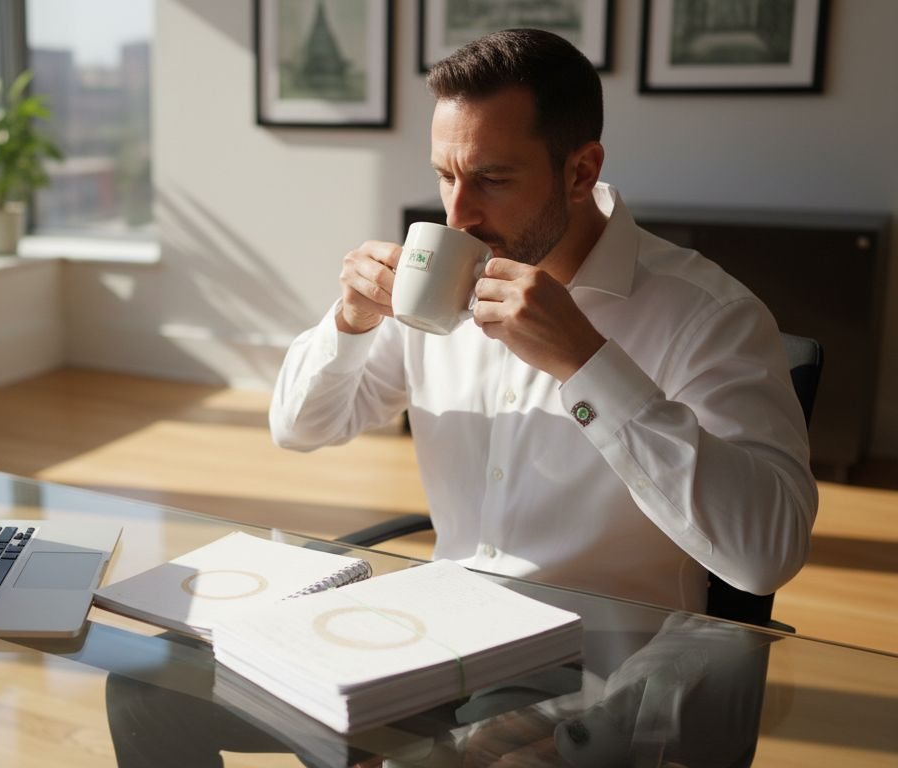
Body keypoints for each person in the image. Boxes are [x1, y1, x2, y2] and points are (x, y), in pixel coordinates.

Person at [270, 28, 817, 611]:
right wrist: (350, 322)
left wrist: (587, 364)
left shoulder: (709, 315)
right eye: (446, 176)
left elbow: (766, 557)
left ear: (581, 172)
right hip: (440, 638)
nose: (458, 215)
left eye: (492, 179)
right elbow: (301, 428)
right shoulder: (440, 283)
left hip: (607, 675)